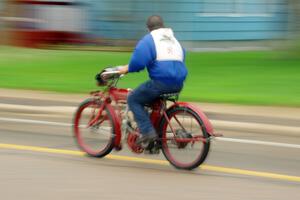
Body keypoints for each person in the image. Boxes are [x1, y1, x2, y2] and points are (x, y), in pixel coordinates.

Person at [116, 15, 188, 148]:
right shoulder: (174, 40)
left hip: (161, 82)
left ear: (148, 28)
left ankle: (148, 132)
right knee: (150, 97)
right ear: (163, 25)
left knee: (133, 99)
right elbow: (181, 56)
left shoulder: (150, 39)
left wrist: (127, 69)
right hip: (178, 83)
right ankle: (155, 130)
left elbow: (138, 63)